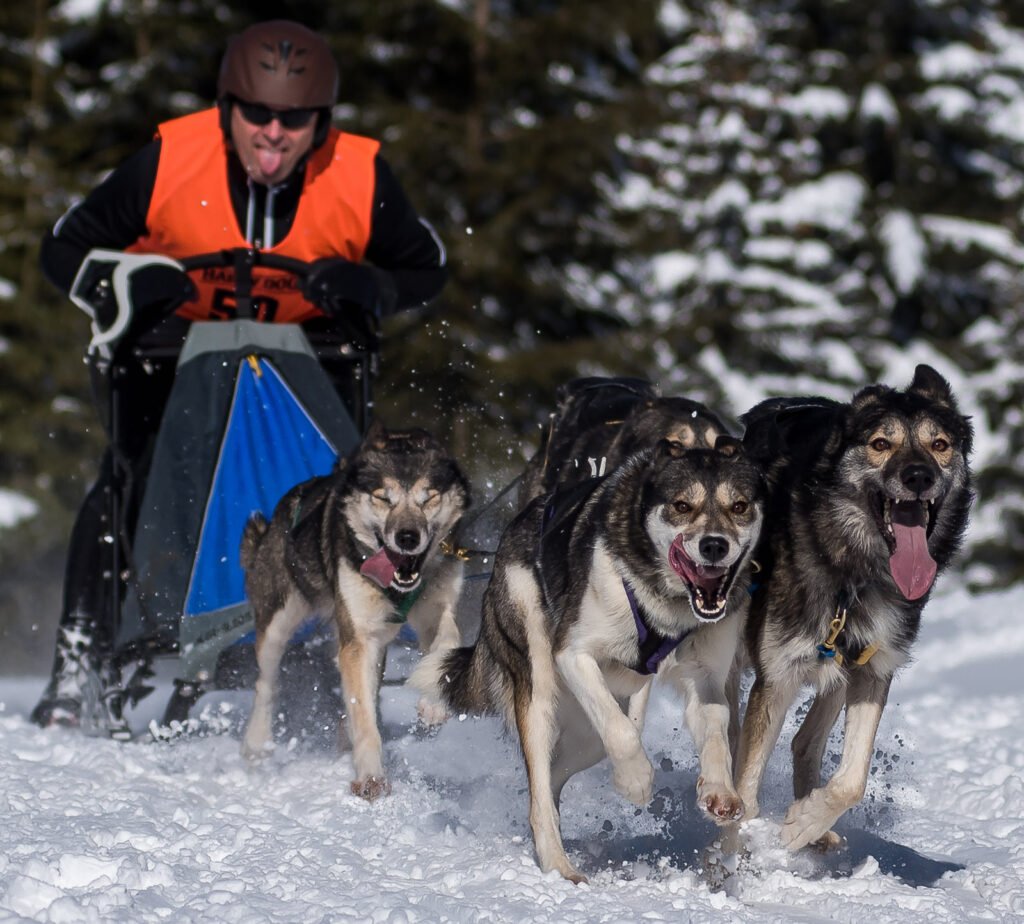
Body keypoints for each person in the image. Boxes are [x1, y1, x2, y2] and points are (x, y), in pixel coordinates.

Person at [31, 20, 449, 730]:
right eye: (258, 114)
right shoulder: (171, 158)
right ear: (228, 108)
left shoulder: (356, 172)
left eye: (295, 119)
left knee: (346, 491)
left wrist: (372, 285)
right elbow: (65, 248)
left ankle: (351, 636)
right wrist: (123, 286)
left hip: (307, 369)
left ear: (322, 122)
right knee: (122, 483)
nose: (274, 133)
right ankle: (85, 651)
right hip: (173, 364)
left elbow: (428, 266)